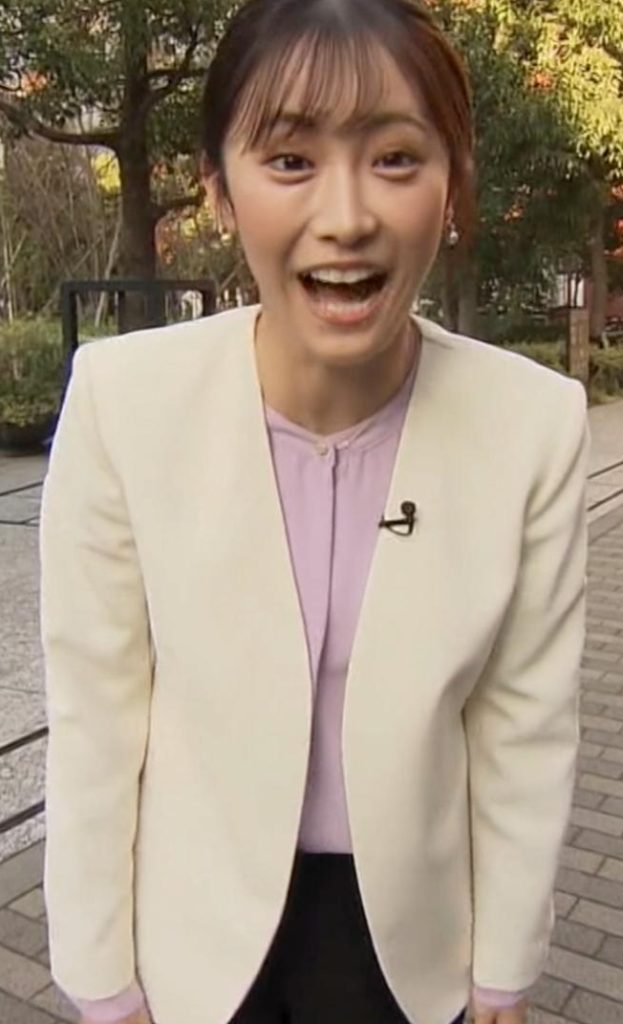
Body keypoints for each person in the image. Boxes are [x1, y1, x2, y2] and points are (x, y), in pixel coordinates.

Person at [39, 2, 589, 1023]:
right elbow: (95, 716)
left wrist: (503, 970)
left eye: (394, 158)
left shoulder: (533, 427)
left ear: (451, 187)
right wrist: (101, 981)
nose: (346, 217)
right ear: (218, 191)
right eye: (289, 160)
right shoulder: (124, 402)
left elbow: (523, 724)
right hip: (193, 942)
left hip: (411, 952)